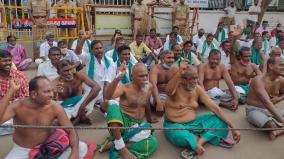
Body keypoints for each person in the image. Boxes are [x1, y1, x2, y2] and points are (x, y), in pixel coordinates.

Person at [1, 76, 96, 158]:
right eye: (46, 92)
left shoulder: (54, 106)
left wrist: (75, 152)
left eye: (51, 90)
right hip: (24, 149)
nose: (51, 95)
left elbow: (70, 130)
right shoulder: (17, 106)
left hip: (50, 145)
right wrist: (11, 90)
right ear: (34, 94)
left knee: (81, 148)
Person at [163, 61, 240, 158]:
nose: (195, 81)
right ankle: (205, 137)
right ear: (182, 80)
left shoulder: (197, 88)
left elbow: (215, 108)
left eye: (196, 77)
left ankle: (198, 143)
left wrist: (233, 127)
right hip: (174, 125)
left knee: (221, 121)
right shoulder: (175, 88)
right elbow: (168, 91)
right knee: (182, 136)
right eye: (192, 79)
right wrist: (179, 72)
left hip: (195, 123)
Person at [102, 63, 158, 159]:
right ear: (132, 76)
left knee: (153, 143)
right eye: (141, 76)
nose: (145, 78)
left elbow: (146, 104)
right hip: (121, 125)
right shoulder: (125, 88)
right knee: (112, 104)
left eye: (146, 75)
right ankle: (121, 148)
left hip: (137, 125)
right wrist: (118, 78)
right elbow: (107, 96)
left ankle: (115, 145)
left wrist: (149, 118)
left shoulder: (149, 86)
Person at [52, 59, 101, 125]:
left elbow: (97, 87)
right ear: (59, 73)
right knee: (58, 122)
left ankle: (74, 121)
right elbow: (50, 103)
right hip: (66, 108)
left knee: (94, 92)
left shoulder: (79, 75)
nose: (69, 72)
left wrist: (82, 106)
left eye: (70, 69)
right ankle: (79, 118)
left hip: (81, 104)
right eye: (65, 71)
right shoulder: (55, 83)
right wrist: (55, 94)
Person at [246, 57, 284, 139]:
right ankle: (276, 129)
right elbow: (267, 102)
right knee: (272, 125)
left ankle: (278, 131)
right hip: (254, 109)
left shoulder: (280, 80)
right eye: (281, 65)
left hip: (272, 109)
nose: (283, 67)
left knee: (275, 123)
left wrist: (280, 98)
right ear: (270, 66)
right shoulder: (258, 80)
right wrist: (282, 120)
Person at [75, 32, 115, 104]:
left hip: (104, 92)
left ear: (103, 48)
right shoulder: (88, 57)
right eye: (96, 49)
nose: (99, 50)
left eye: (100, 48)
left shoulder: (109, 60)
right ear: (92, 51)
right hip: (91, 92)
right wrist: (84, 38)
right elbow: (77, 52)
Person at [0, 50, 29, 136]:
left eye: (9, 60)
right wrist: (11, 90)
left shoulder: (20, 75)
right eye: (4, 61)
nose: (8, 63)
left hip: (17, 109)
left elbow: (25, 97)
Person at [149, 50, 178, 114]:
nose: (171, 60)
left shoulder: (175, 69)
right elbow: (153, 85)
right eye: (169, 58)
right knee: (161, 110)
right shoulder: (155, 69)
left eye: (172, 58)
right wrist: (158, 102)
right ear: (162, 59)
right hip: (157, 94)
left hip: (169, 94)